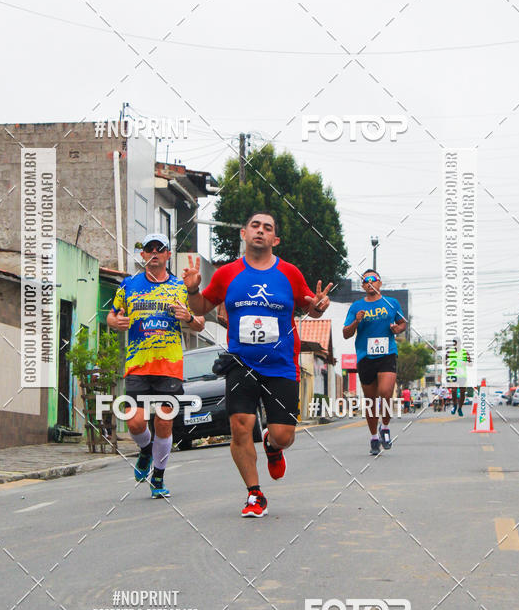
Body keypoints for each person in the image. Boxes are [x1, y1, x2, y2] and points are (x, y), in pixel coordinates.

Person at [182, 211, 331, 518]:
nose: (260, 231)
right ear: (243, 233)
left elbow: (311, 308)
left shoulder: (289, 273)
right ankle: (254, 493)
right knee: (239, 427)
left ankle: (272, 445)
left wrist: (318, 305)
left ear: (275, 239)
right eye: (255, 226)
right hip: (241, 363)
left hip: (281, 365)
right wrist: (194, 290)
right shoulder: (226, 274)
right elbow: (201, 307)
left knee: (284, 435)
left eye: (267, 228)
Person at [107, 232, 205, 498]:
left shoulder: (180, 288)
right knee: (136, 422)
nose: (153, 253)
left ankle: (158, 478)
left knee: (164, 421)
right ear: (142, 255)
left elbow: (200, 322)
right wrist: (115, 322)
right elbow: (112, 315)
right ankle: (146, 450)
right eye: (149, 249)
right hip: (138, 364)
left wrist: (189, 318)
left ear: (167, 255)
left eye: (159, 249)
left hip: (169, 366)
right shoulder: (128, 285)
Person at [343, 270, 407, 455]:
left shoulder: (391, 303)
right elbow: (346, 333)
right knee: (371, 402)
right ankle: (373, 436)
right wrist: (356, 322)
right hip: (365, 357)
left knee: (386, 392)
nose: (369, 283)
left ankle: (385, 428)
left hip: (387, 353)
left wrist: (397, 328)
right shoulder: (356, 307)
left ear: (379, 283)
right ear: (362, 286)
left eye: (373, 280)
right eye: (365, 281)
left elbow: (403, 323)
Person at [446, 339, 471, 416]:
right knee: (453, 390)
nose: (455, 344)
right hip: (453, 374)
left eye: (457, 343)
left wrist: (466, 362)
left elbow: (470, 362)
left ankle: (460, 408)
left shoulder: (464, 352)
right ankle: (454, 405)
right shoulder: (449, 352)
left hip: (462, 375)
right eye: (454, 343)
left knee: (462, 392)